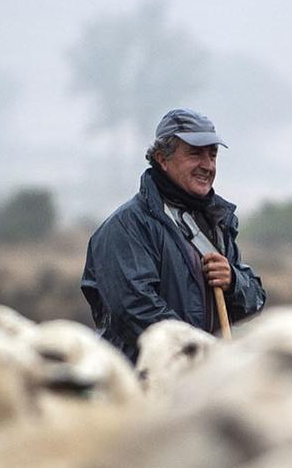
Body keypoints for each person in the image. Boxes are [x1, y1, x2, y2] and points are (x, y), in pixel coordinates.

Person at [81, 108, 267, 361]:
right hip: (146, 381)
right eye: (195, 154)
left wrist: (233, 281)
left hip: (200, 378)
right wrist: (202, 355)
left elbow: (254, 301)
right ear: (162, 158)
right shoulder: (126, 227)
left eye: (212, 156)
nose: (207, 165)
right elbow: (136, 310)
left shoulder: (217, 223)